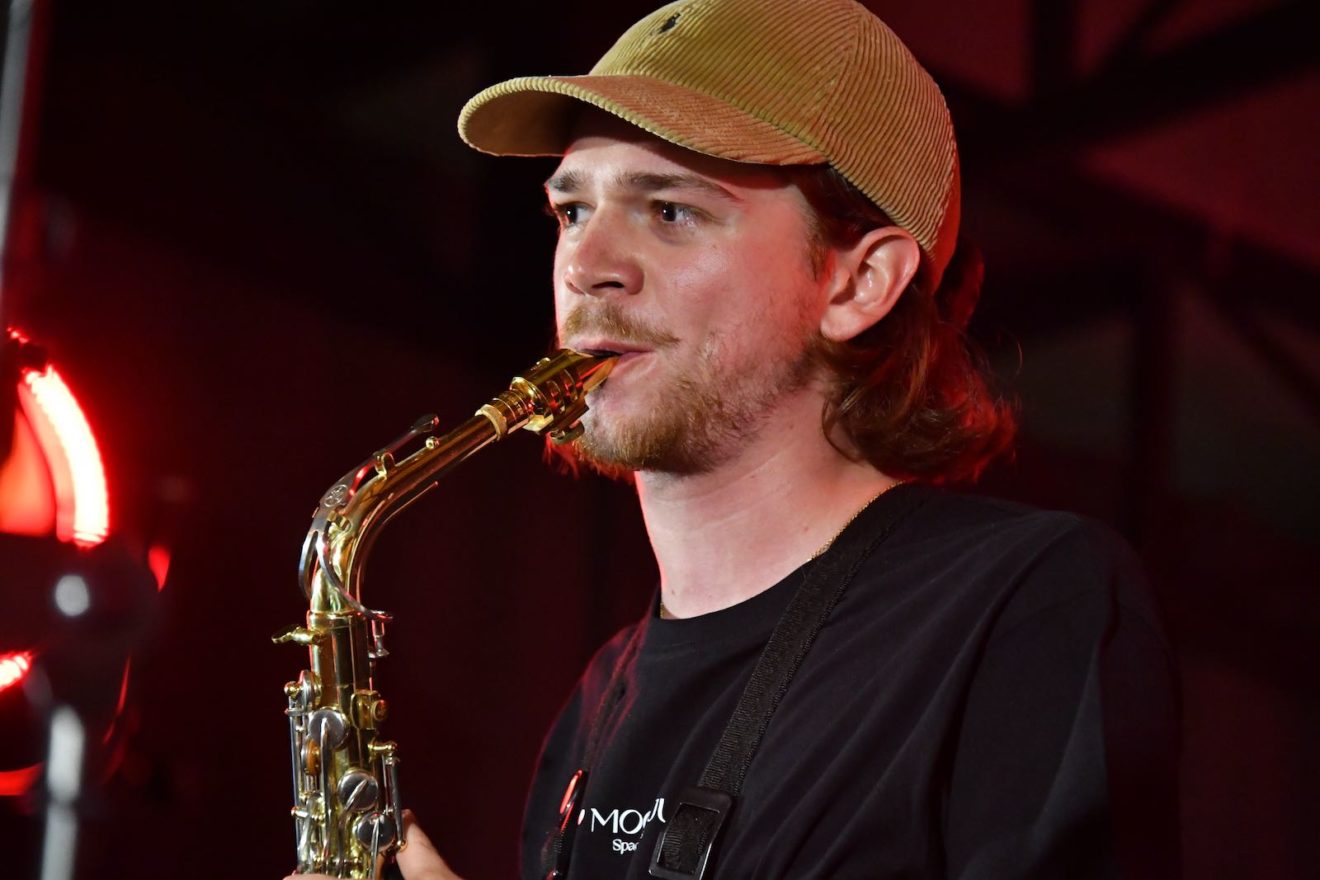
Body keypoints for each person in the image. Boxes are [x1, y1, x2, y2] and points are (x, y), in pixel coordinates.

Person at [291, 0, 1179, 877]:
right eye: (572, 212)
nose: (585, 268)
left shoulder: (1023, 603)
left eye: (670, 211)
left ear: (859, 283)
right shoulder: (594, 708)